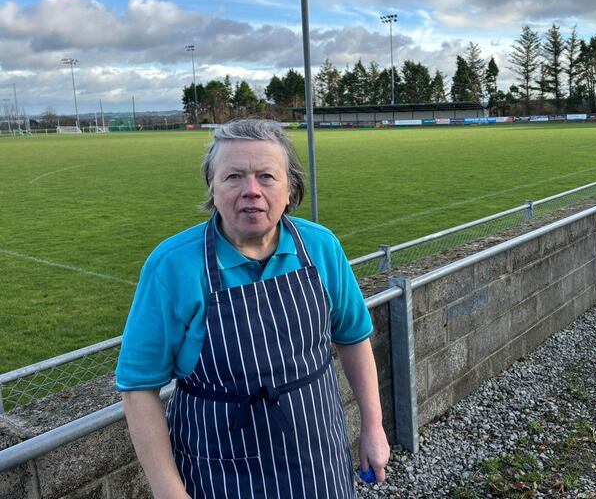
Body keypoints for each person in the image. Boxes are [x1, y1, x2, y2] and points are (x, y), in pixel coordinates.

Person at [116, 119, 390, 498]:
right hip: (216, 470)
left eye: (266, 176)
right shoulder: (173, 266)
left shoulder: (321, 248)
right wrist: (169, 492)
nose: (251, 191)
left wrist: (373, 427)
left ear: (290, 188)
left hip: (317, 459)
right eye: (233, 176)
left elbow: (354, 338)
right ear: (212, 186)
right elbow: (138, 388)